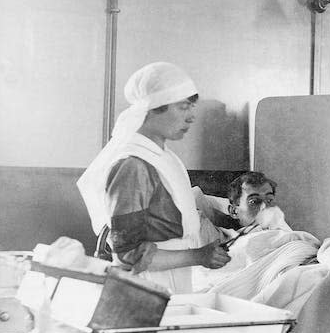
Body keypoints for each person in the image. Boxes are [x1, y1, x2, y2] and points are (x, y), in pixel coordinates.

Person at [77, 61, 230, 294]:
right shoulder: (133, 165)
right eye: (183, 107)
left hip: (173, 281)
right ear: (152, 108)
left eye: (192, 107)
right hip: (146, 287)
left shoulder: (164, 158)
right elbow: (127, 253)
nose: (191, 117)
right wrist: (198, 255)